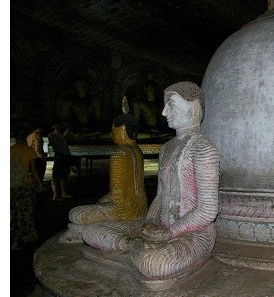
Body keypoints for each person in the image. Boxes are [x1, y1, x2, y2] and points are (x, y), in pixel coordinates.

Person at [80, 81, 220, 279]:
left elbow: (207, 210)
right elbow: (161, 195)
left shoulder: (204, 149)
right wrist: (149, 223)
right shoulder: (166, 148)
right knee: (90, 231)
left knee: (153, 264)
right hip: (160, 229)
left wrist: (171, 232)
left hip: (193, 233)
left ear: (193, 107)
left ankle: (142, 252)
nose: (163, 112)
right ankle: (134, 246)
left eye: (170, 104)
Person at [59, 110, 148, 243]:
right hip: (141, 207)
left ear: (122, 129)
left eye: (113, 129)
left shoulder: (120, 153)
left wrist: (100, 202)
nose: (112, 132)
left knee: (75, 214)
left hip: (123, 209)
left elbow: (116, 195)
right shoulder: (137, 150)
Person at [10, 130, 43, 250]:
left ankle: (14, 237)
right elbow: (33, 169)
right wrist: (39, 183)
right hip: (24, 185)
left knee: (15, 211)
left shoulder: (9, 150)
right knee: (26, 211)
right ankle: (26, 236)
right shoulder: (29, 150)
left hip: (11, 186)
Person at [47, 122, 74, 200]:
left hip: (65, 156)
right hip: (59, 156)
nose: (59, 126)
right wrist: (64, 135)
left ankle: (63, 193)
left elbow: (70, 142)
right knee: (56, 176)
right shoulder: (52, 135)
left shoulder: (63, 134)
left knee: (64, 175)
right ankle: (55, 195)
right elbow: (57, 144)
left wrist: (69, 134)